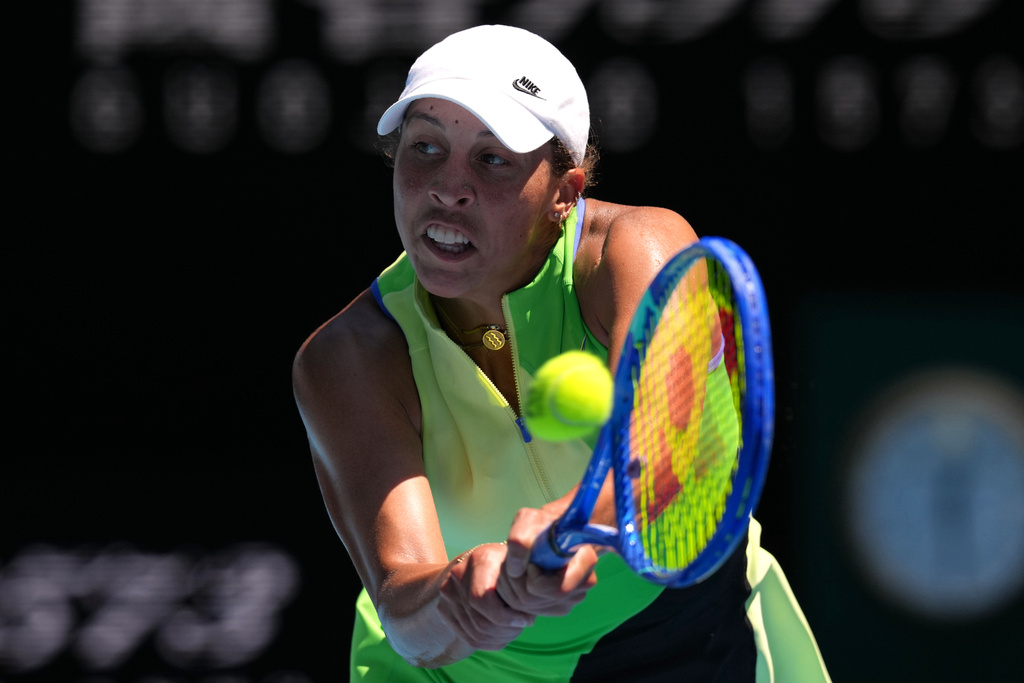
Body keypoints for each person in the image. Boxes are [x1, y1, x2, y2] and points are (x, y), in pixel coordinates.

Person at [293, 24, 831, 682]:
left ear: (566, 191)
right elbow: (404, 603)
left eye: (492, 159)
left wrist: (566, 527)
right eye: (425, 147)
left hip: (685, 628)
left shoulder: (642, 248)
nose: (447, 186)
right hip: (469, 673)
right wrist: (465, 599)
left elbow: (661, 450)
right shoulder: (347, 357)